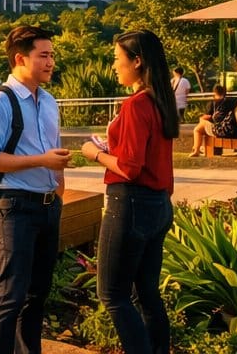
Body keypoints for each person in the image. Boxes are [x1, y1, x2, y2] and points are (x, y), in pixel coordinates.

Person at [0, 24, 71, 354]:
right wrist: (41, 159)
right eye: (43, 56)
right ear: (20, 58)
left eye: (52, 55)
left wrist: (58, 188)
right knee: (11, 294)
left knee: (37, 294)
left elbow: (52, 150)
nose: (50, 62)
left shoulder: (49, 102)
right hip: (13, 206)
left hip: (47, 206)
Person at [81, 30, 178, 354]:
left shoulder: (137, 104)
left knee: (112, 294)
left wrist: (94, 153)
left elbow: (131, 167)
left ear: (137, 62)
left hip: (131, 203)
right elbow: (155, 159)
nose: (113, 66)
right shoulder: (160, 101)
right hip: (159, 203)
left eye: (117, 59)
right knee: (146, 293)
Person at [188, 84, 237, 157]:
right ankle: (202, 148)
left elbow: (207, 117)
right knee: (204, 125)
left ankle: (196, 150)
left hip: (222, 130)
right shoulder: (232, 101)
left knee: (198, 128)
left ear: (214, 93)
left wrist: (204, 119)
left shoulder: (213, 103)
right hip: (233, 130)